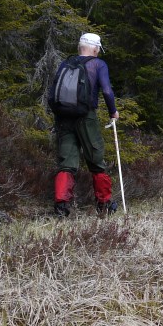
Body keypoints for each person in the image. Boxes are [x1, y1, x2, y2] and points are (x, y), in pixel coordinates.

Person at [52, 32, 120, 217]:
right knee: (96, 161)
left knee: (66, 163)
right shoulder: (98, 64)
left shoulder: (66, 63)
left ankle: (61, 206)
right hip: (86, 116)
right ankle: (104, 204)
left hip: (64, 117)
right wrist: (113, 112)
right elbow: (107, 91)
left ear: (79, 47)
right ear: (96, 48)